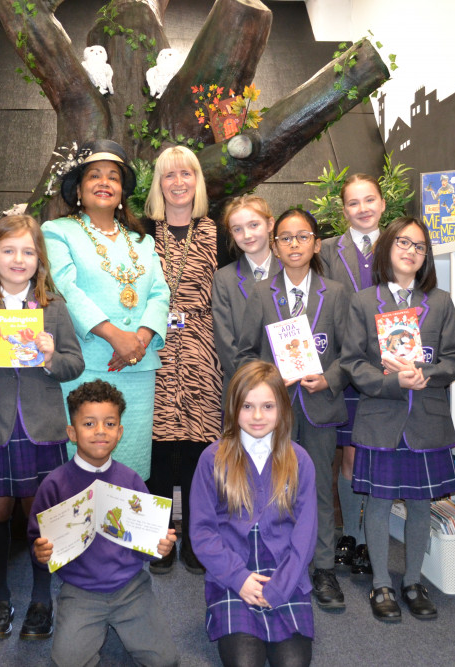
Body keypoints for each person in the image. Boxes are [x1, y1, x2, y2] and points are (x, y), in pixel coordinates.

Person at [340, 216, 455, 622]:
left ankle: (412, 581)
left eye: (420, 246)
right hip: (381, 419)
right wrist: (395, 382)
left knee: (418, 505)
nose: (412, 251)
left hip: (427, 422)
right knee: (376, 505)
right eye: (404, 243)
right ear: (387, 248)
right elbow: (353, 363)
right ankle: (381, 582)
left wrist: (425, 375)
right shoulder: (363, 302)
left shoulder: (441, 302)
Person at [0, 213, 84, 642]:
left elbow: (75, 364)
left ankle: (40, 598)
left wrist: (51, 356)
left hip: (41, 425)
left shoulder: (53, 307)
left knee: (40, 515)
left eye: (28, 251)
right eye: (8, 250)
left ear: (39, 259)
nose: (18, 259)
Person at [235, 209, 349, 611]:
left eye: (303, 237)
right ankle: (277, 563)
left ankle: (322, 568)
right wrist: (266, 380)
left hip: (319, 406)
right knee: (269, 488)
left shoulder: (335, 293)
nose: (295, 244)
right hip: (273, 412)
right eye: (286, 238)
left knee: (318, 489)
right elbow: (245, 351)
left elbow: (351, 353)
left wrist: (330, 378)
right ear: (275, 244)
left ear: (316, 243)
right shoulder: (262, 293)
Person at [42, 139, 169, 481]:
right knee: (82, 462)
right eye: (94, 175)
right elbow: (64, 287)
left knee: (131, 464)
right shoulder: (57, 231)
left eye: (113, 177)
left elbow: (160, 292)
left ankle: (128, 532)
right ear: (79, 189)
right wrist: (115, 336)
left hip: (137, 366)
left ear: (122, 191)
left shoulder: (144, 241)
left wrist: (139, 339)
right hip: (84, 365)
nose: (104, 183)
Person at [28, 380, 180, 667]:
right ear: (72, 432)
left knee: (166, 661)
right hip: (79, 591)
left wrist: (161, 547)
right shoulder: (54, 484)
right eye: (89, 424)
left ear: (120, 432)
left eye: (109, 424)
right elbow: (38, 543)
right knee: (66, 662)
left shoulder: (132, 480)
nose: (100, 431)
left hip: (131, 587)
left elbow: (146, 545)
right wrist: (40, 553)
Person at [190, 361, 317, 667]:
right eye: (248, 406)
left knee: (294, 664)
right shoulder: (213, 459)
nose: (257, 416)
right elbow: (203, 532)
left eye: (267, 406)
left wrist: (281, 586)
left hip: (287, 576)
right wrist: (239, 578)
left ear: (282, 410)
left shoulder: (299, 459)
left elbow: (305, 535)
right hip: (232, 576)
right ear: (233, 408)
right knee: (245, 663)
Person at [144, 145, 230, 575]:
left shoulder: (220, 233)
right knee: (159, 450)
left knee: (200, 449)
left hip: (204, 350)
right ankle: (160, 539)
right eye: (168, 175)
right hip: (155, 347)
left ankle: (198, 540)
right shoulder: (141, 233)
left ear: (198, 182)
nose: (178, 183)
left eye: (186, 174)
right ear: (158, 184)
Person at [318, 173, 387, 576]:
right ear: (343, 210)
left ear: (381, 203)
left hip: (385, 368)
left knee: (376, 455)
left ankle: (368, 539)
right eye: (353, 203)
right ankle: (352, 538)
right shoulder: (326, 250)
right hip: (344, 365)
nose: (362, 209)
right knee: (348, 456)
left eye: (368, 200)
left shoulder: (399, 243)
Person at [211, 195, 280, 394]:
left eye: (254, 225)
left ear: (269, 224)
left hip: (292, 388)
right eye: (238, 229)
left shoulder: (291, 271)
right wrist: (254, 382)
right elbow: (226, 342)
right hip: (245, 388)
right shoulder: (224, 279)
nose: (247, 234)